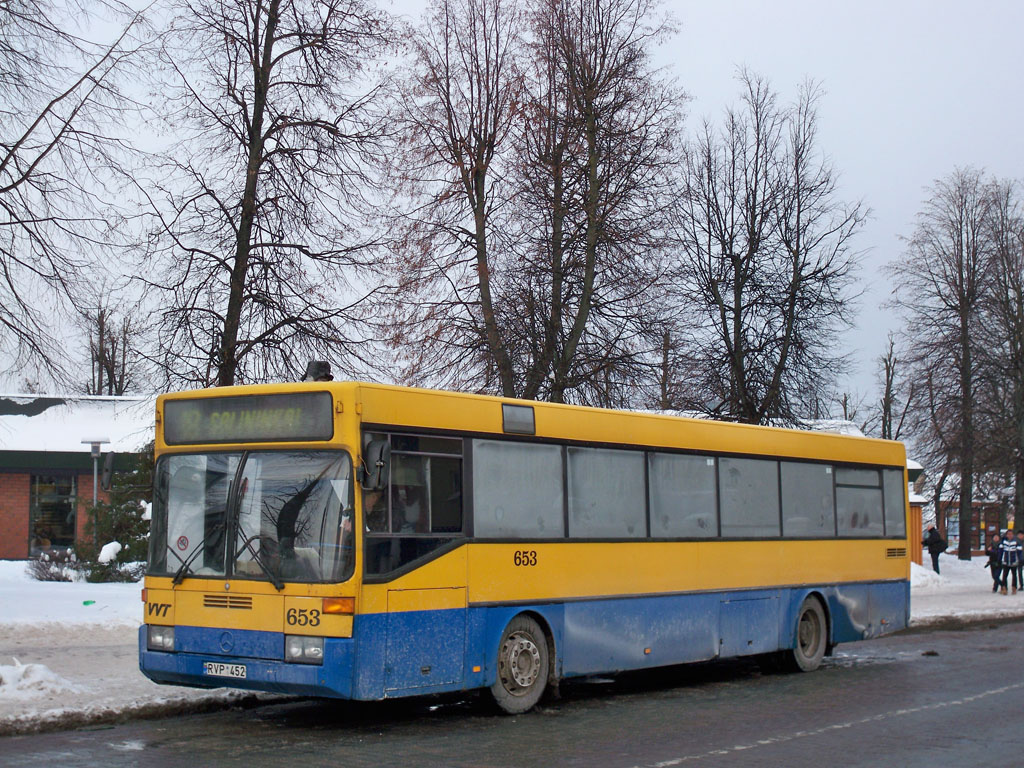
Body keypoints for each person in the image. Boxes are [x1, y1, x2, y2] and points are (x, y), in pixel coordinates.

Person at [1000, 528, 1021, 595]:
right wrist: (1000, 559)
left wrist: (1020, 559)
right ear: (1006, 535)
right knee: (1004, 575)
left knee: (1014, 575)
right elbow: (1000, 551)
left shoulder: (1016, 541)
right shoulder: (1003, 541)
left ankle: (1014, 588)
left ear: (1013, 535)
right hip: (1005, 561)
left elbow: (1019, 552)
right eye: (1008, 534)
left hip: (1013, 561)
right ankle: (1004, 588)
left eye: (1011, 534)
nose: (1010, 535)